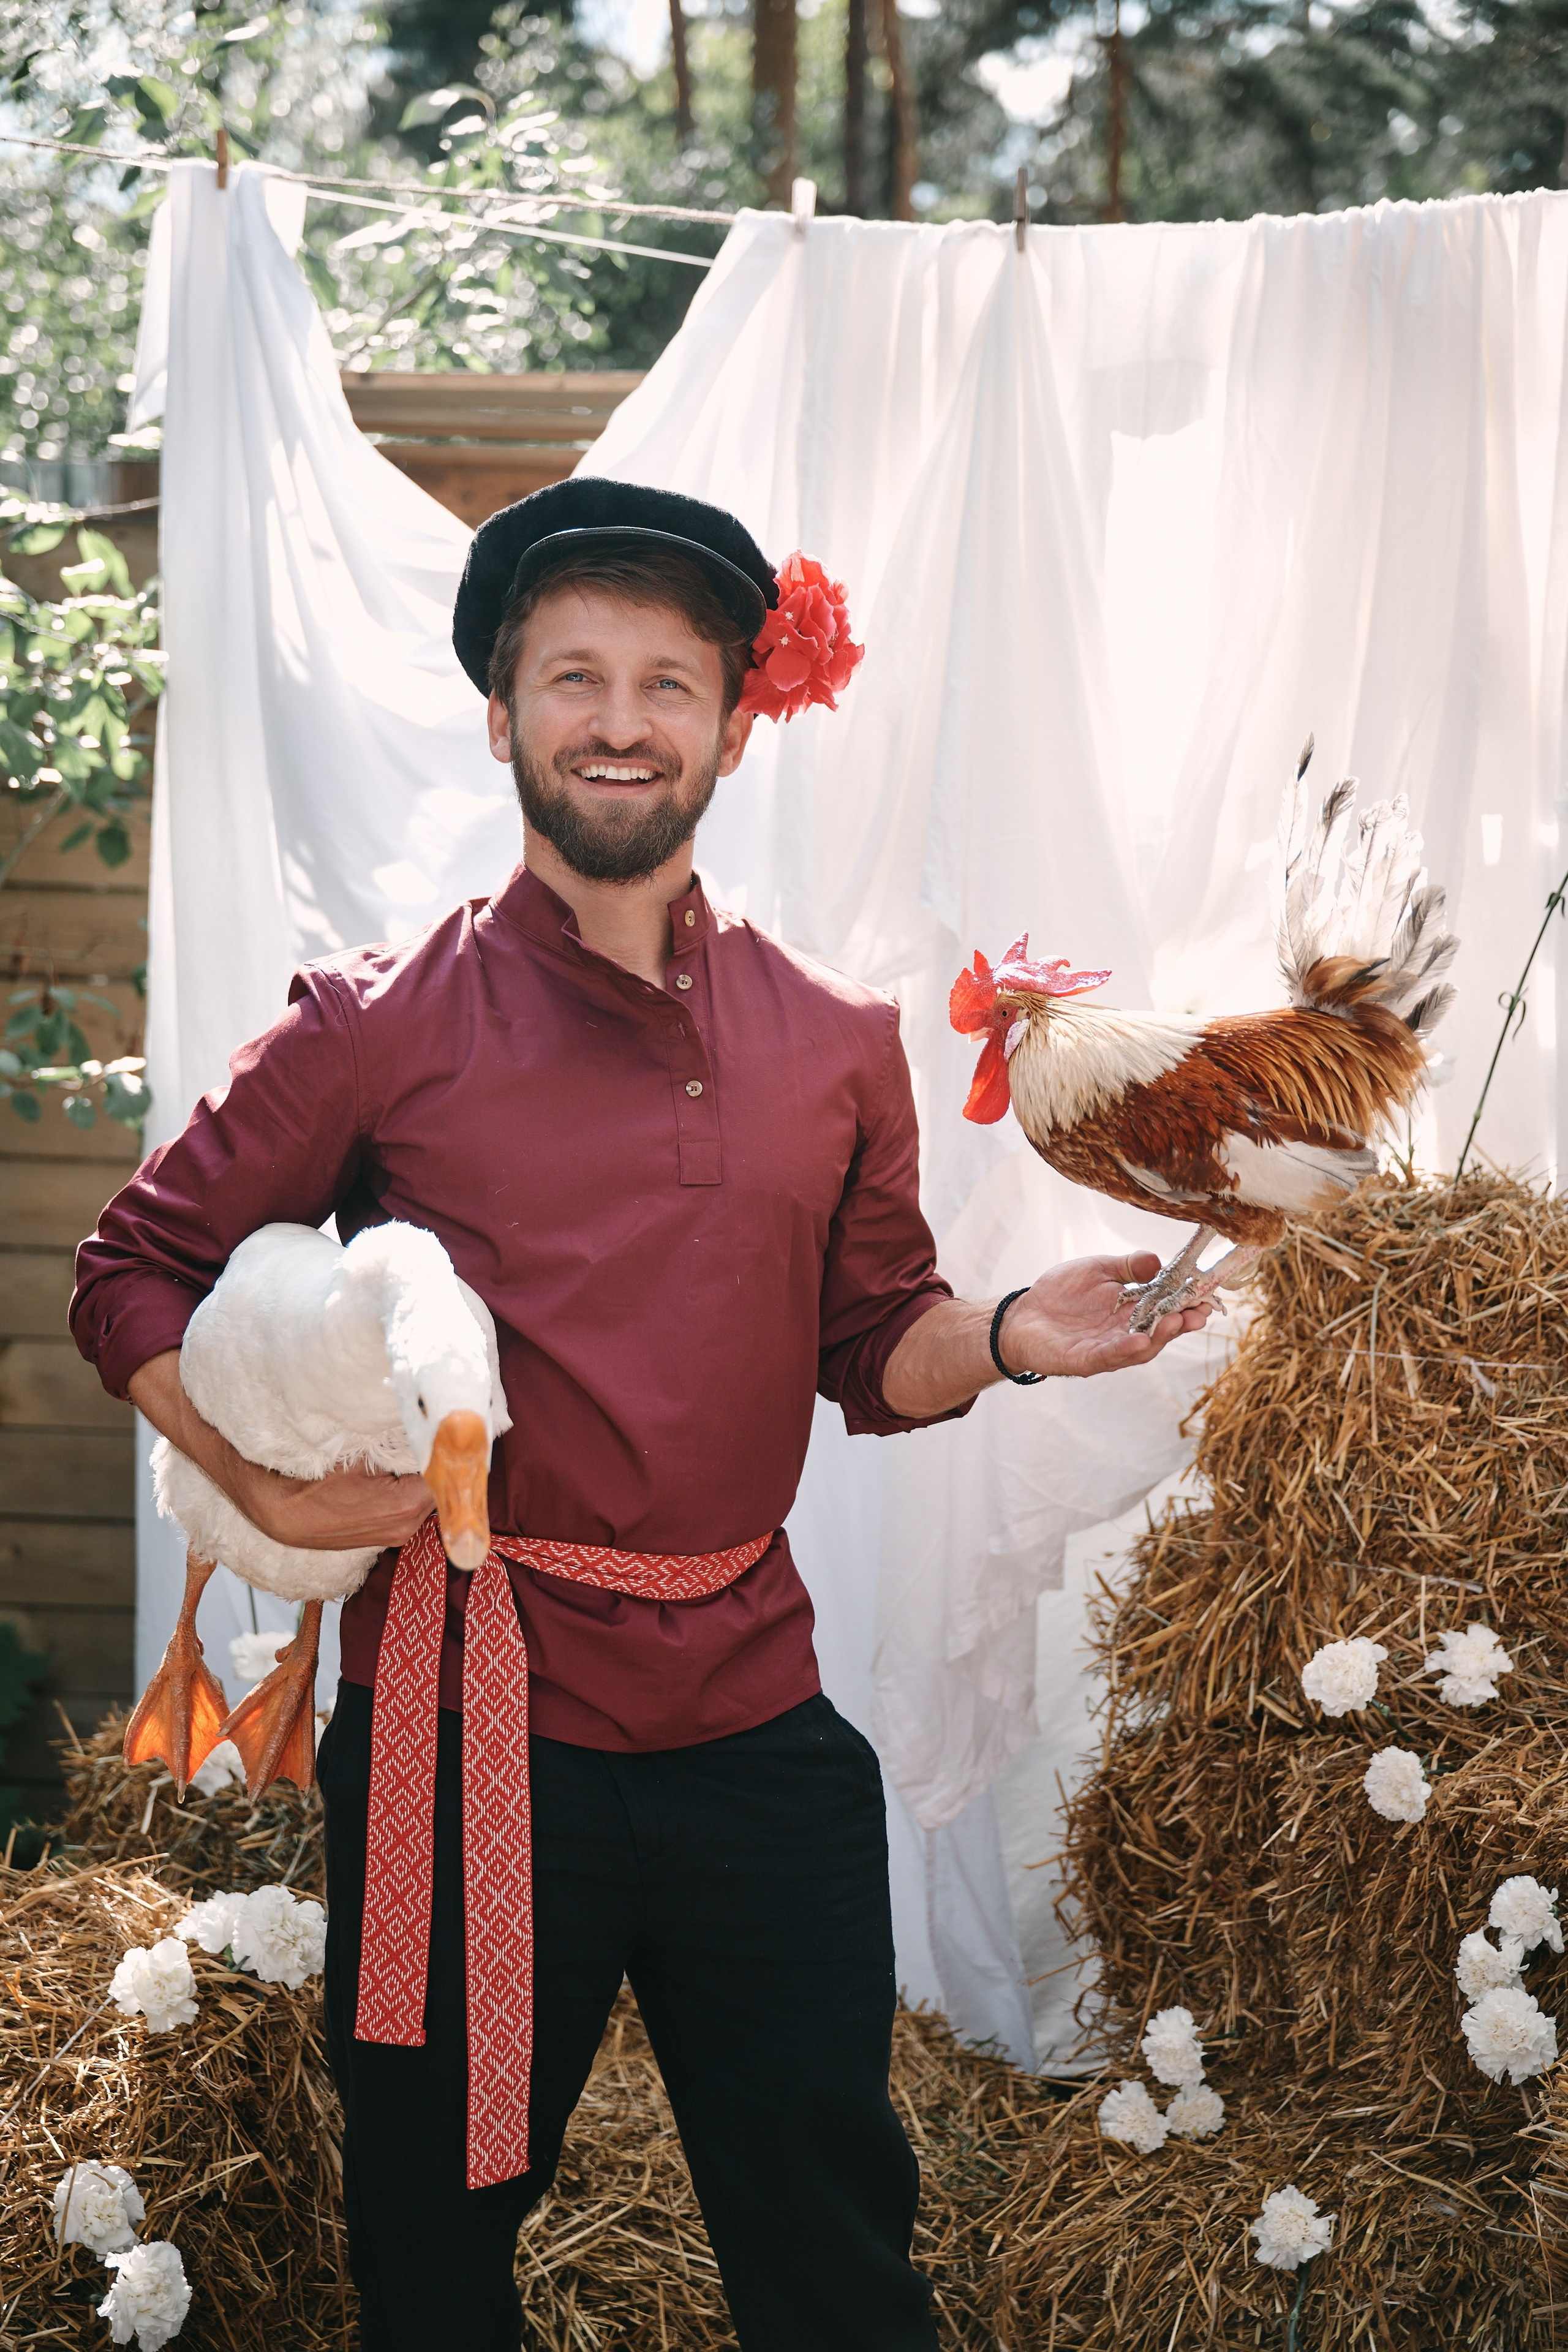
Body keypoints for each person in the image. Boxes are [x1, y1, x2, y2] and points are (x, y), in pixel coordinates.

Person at [71, 478, 1209, 2352]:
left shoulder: (839, 1038)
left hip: (757, 1722)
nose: (620, 719)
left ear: (732, 725)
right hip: (462, 1729)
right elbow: (129, 1269)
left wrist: (1012, 1333)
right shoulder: (377, 1018)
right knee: (433, 2259)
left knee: (835, 2249)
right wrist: (257, 1464)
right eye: (573, 676)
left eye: (666, 683)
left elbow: (874, 1341)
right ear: (501, 714)